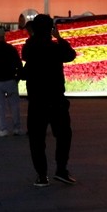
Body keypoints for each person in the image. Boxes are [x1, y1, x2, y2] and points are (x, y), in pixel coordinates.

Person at [22, 14, 77, 186]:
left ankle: (42, 175)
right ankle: (61, 170)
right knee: (63, 135)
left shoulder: (30, 48)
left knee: (37, 139)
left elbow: (25, 61)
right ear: (51, 29)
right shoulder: (55, 48)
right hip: (56, 99)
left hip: (37, 101)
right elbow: (70, 55)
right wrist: (59, 38)